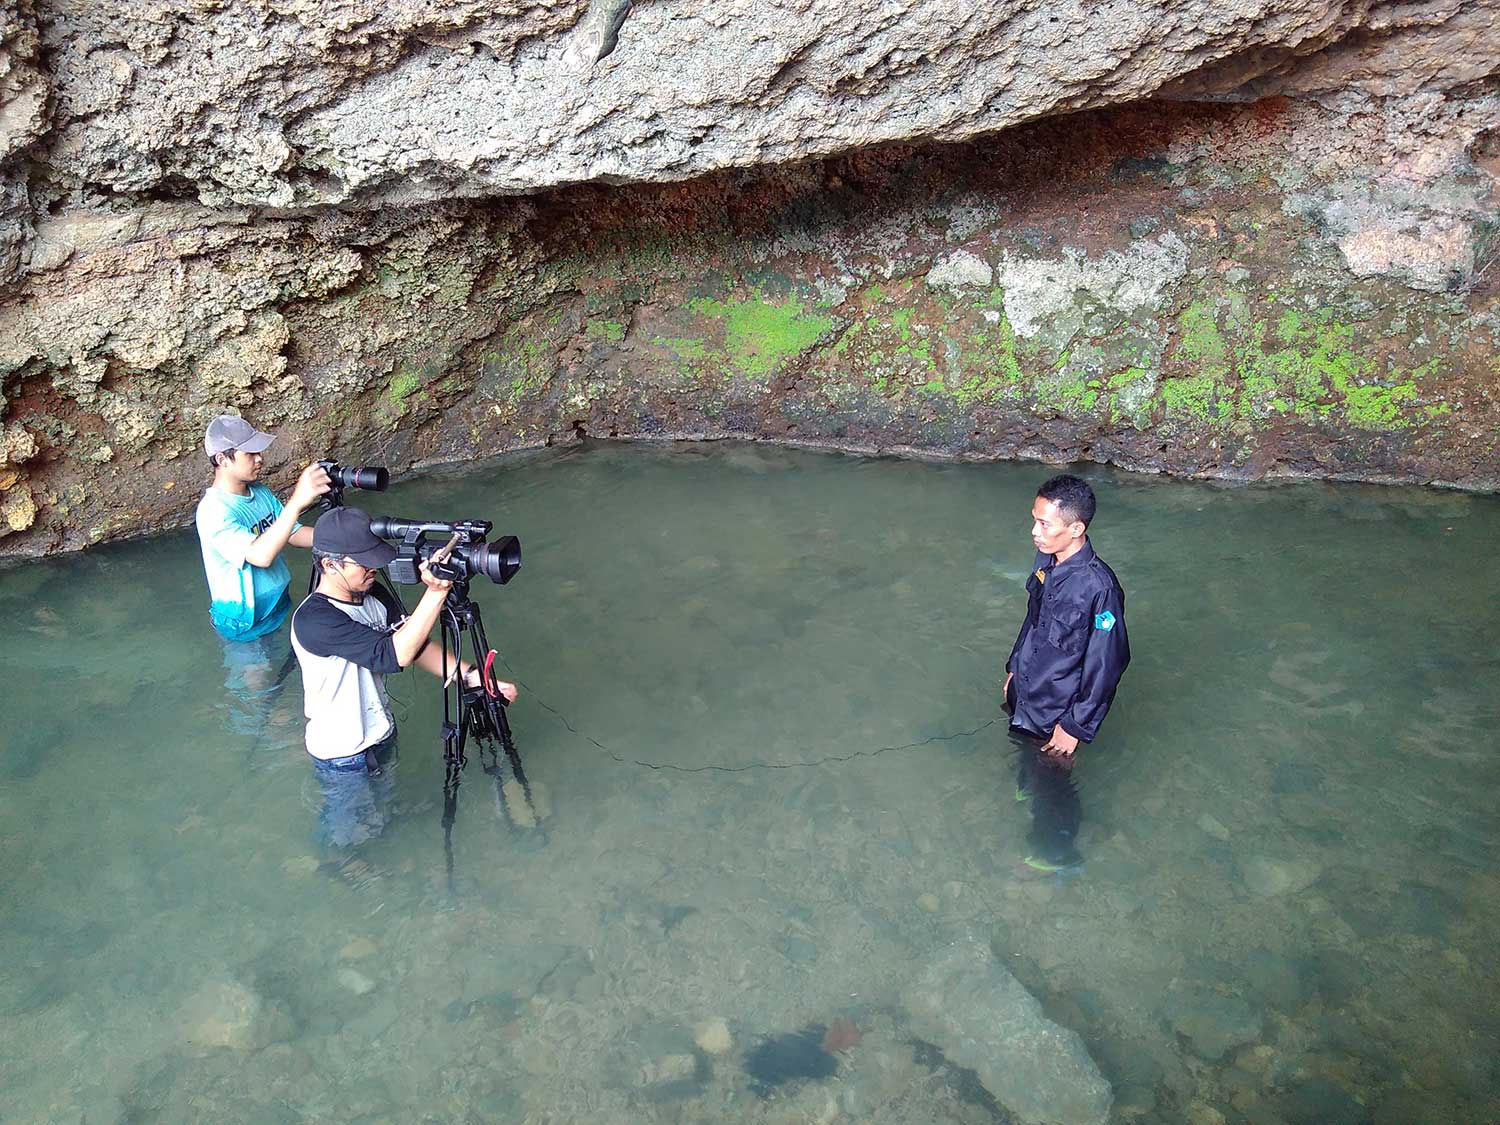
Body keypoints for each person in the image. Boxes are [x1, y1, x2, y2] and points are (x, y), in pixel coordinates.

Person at [290, 506, 518, 846]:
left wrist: (472, 676)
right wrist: (437, 592)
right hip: (343, 754)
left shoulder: (373, 592)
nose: (373, 568)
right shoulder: (314, 620)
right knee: (345, 827)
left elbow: (415, 641)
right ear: (329, 564)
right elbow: (393, 654)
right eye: (363, 562)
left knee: (377, 804)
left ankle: (378, 828)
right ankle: (339, 864)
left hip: (379, 732)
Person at [1001, 474, 1129, 873]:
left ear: (1076, 529)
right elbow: (1033, 619)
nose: (1034, 532)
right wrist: (1013, 669)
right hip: (1028, 689)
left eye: (1044, 524)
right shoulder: (1046, 560)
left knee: (1055, 780)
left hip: (1060, 706)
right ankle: (1028, 786)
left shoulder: (1099, 589)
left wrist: (1075, 725)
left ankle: (1056, 851)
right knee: (1027, 751)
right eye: (1034, 520)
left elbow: (1107, 663)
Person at [194, 415, 331, 734]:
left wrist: (341, 535)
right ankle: (268, 736)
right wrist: (298, 499)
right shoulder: (214, 511)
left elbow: (291, 532)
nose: (260, 459)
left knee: (284, 670)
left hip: (278, 606)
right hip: (244, 621)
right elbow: (260, 553)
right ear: (222, 459)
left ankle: (284, 721)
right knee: (258, 693)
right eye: (249, 454)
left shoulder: (259, 492)